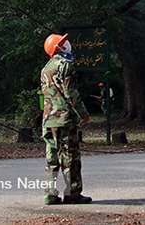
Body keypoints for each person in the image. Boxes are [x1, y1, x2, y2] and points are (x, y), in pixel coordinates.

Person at [40, 33, 92, 205]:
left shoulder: (45, 68)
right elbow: (71, 93)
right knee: (70, 157)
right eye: (63, 43)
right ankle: (72, 193)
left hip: (48, 120)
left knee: (52, 159)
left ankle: (50, 194)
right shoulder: (66, 65)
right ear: (58, 48)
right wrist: (83, 114)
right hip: (64, 119)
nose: (67, 44)